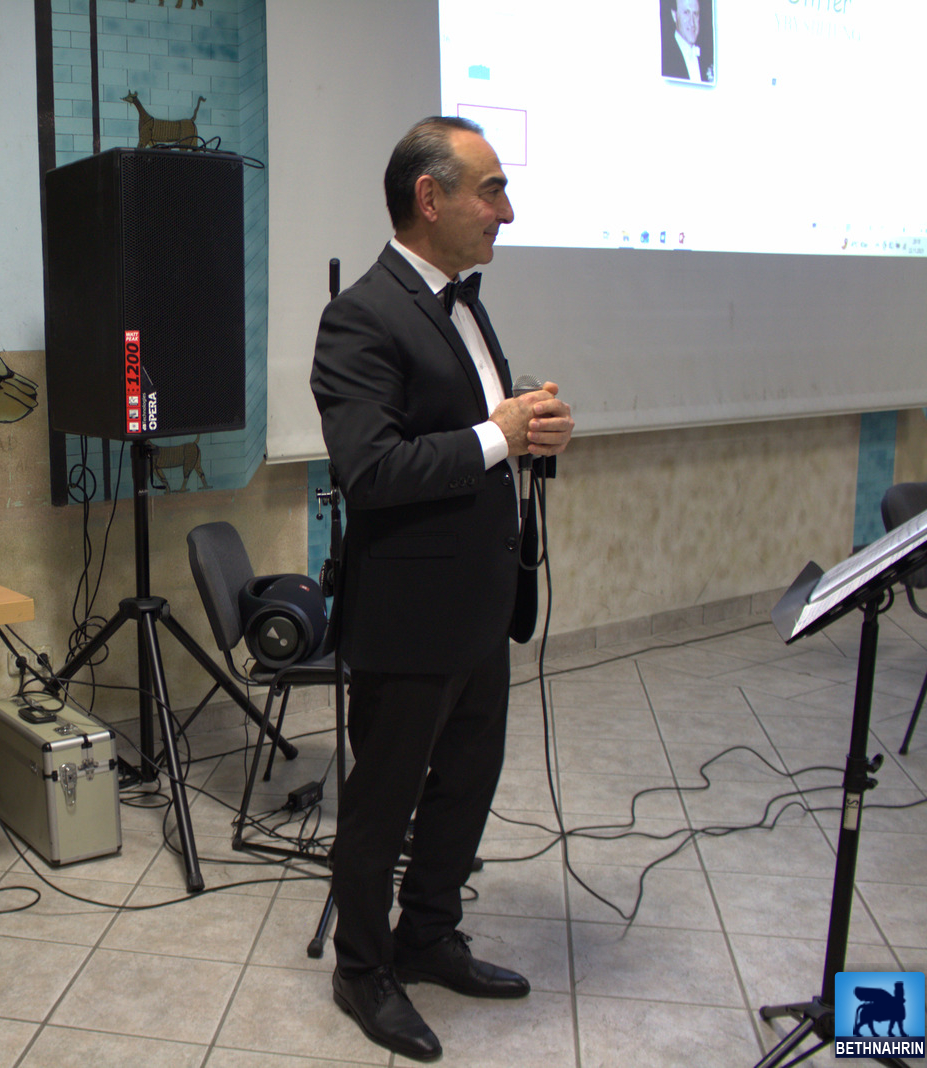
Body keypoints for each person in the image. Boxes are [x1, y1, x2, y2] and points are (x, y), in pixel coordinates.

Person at [309, 116, 574, 1061]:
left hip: (480, 604)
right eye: (492, 190)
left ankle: (427, 935)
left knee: (466, 785)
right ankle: (362, 966)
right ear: (431, 198)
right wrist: (501, 433)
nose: (508, 210)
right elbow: (371, 470)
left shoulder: (465, 302)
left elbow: (475, 438)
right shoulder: (362, 316)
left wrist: (529, 435)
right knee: (382, 805)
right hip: (408, 615)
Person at [662, 0, 714, 83]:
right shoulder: (664, 57)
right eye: (686, 13)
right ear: (674, 15)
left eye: (695, 14)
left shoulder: (708, 55)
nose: (692, 23)